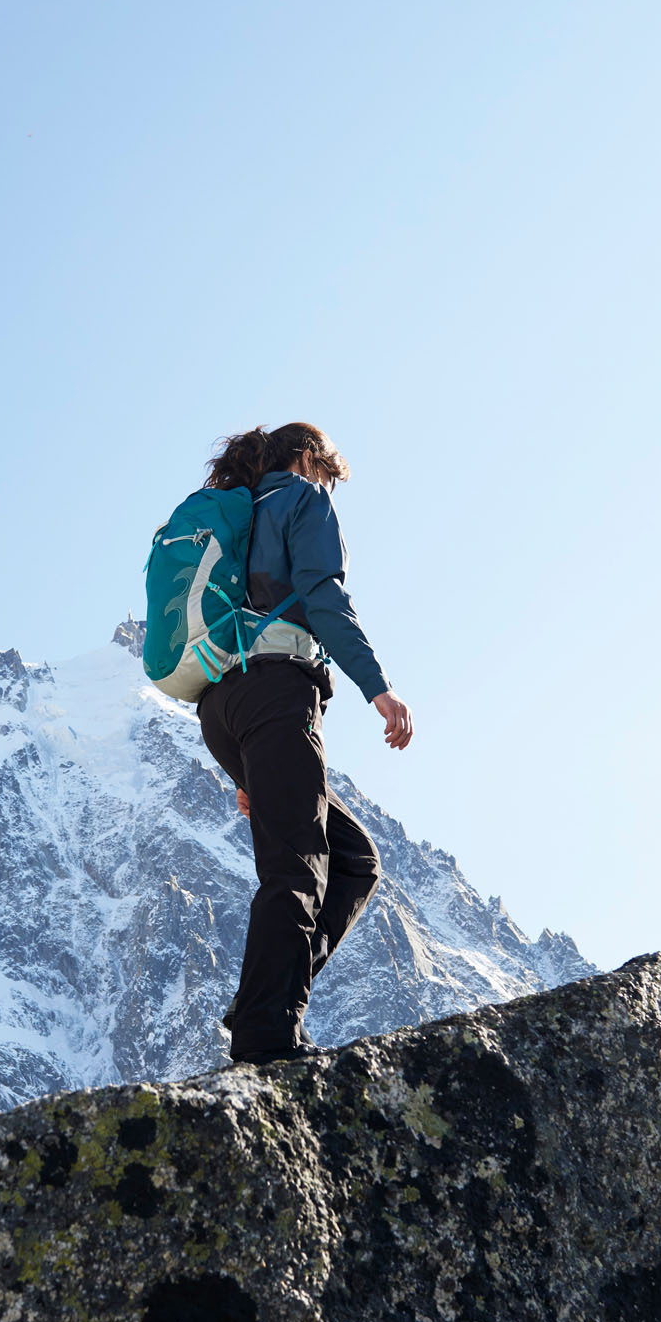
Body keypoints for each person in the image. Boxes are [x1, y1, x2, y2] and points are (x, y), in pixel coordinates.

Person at [193, 422, 414, 1065]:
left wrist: (245, 770)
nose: (332, 492)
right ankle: (267, 1034)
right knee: (297, 868)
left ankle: (264, 995)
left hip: (221, 706)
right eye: (332, 478)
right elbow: (323, 597)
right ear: (309, 459)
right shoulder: (302, 499)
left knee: (352, 859)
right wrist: (380, 689)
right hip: (275, 695)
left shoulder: (234, 514)